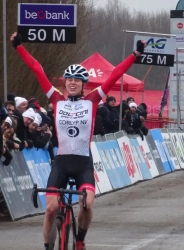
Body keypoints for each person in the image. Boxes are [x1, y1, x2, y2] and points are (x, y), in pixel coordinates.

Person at [10, 31, 146, 250]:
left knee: (87, 206)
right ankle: (47, 246)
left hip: (83, 161)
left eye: (78, 80)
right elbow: (37, 69)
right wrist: (19, 46)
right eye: (70, 80)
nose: (73, 83)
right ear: (65, 84)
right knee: (50, 208)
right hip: (62, 162)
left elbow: (115, 74)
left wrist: (135, 54)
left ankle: (80, 238)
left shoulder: (93, 100)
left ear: (84, 85)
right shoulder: (55, 98)